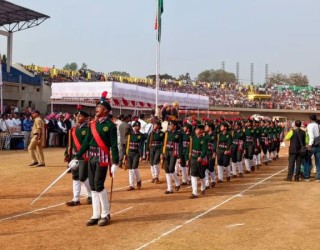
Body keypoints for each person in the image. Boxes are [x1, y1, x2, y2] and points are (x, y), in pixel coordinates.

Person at [75, 91, 119, 227]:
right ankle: (95, 214)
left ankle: (105, 214)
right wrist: (77, 157)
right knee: (93, 187)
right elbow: (87, 142)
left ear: (105, 110)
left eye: (99, 107)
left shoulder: (111, 126)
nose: (96, 109)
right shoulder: (92, 124)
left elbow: (113, 145)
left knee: (99, 185)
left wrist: (115, 162)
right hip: (92, 158)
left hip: (103, 158)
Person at [65, 110, 92, 206]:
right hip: (74, 155)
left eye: (80, 116)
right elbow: (70, 143)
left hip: (83, 155)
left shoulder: (88, 129)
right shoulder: (73, 129)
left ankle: (91, 194)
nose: (78, 117)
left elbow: (87, 143)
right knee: (75, 177)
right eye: (77, 116)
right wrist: (67, 154)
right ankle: (76, 199)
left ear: (86, 118)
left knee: (83, 177)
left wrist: (79, 154)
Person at [187, 124, 208, 198]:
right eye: (196, 129)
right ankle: (194, 192)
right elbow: (189, 149)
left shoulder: (204, 139)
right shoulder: (193, 138)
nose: (196, 131)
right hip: (193, 157)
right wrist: (187, 158)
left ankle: (203, 187)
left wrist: (201, 156)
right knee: (193, 174)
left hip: (200, 158)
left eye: (198, 129)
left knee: (201, 174)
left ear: (202, 130)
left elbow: (205, 149)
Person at [124, 121, 144, 190]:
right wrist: (125, 154)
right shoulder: (130, 134)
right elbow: (127, 144)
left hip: (136, 153)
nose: (136, 127)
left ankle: (138, 181)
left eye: (137, 126)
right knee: (130, 169)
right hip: (129, 152)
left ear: (140, 127)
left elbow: (141, 146)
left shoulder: (141, 135)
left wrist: (141, 156)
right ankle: (131, 185)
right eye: (135, 126)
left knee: (134, 168)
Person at [304, 114, 320, 181]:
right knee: (318, 161)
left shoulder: (310, 125)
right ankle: (318, 177)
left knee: (307, 161)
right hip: (318, 144)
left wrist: (309, 145)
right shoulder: (318, 125)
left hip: (312, 144)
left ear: (310, 119)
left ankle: (307, 176)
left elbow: (311, 136)